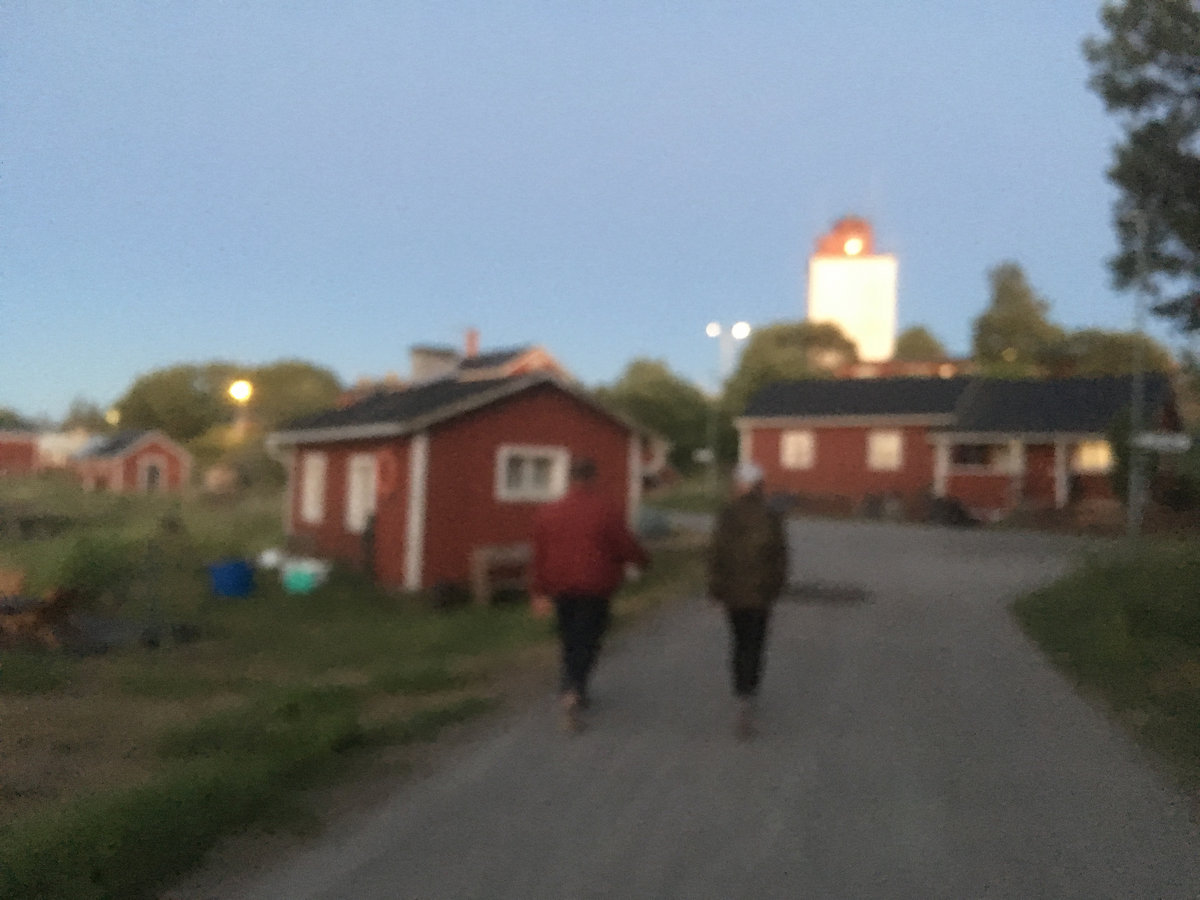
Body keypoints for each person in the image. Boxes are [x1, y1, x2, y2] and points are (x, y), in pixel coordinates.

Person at [531, 457, 649, 732]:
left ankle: (571, 685)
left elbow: (539, 555)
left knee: (569, 637)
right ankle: (573, 689)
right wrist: (643, 561)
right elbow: (625, 545)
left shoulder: (548, 512)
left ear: (569, 479)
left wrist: (538, 592)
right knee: (589, 638)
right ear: (593, 478)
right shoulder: (605, 510)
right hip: (595, 585)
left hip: (560, 585)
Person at [707, 460, 788, 739]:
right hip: (761, 594)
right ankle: (748, 693)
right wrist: (776, 588)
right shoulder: (771, 516)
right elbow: (780, 557)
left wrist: (716, 589)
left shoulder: (727, 515)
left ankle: (740, 691)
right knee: (755, 644)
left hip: (733, 593)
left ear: (742, 485)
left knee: (739, 641)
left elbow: (717, 554)